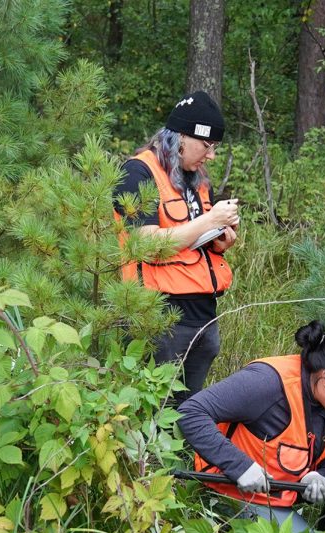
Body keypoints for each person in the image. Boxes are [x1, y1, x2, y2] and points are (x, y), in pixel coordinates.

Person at [177, 320, 325, 533]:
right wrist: (240, 467)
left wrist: (322, 477)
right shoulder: (266, 383)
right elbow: (190, 412)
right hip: (238, 489)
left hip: (288, 481)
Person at [113, 91, 239, 406]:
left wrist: (220, 239)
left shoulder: (197, 179)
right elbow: (146, 243)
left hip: (204, 316)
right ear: (181, 136)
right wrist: (210, 219)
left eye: (216, 148)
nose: (211, 156)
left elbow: (193, 240)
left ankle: (186, 457)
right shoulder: (137, 173)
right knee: (154, 413)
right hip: (160, 317)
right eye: (207, 146)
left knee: (189, 412)